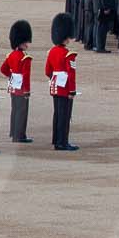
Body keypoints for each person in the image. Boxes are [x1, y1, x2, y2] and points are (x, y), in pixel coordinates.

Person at [45, 13, 79, 150]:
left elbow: (48, 71)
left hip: (55, 86)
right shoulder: (68, 55)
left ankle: (56, 139)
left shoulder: (52, 52)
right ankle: (62, 142)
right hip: (65, 88)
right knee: (65, 116)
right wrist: (72, 91)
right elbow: (71, 75)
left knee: (57, 114)